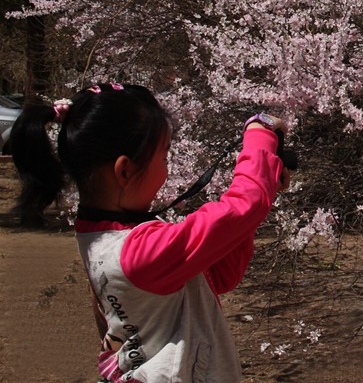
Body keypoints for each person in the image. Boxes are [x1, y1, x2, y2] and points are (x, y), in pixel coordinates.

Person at [10, 83, 290, 383]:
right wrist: (260, 133)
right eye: (164, 155)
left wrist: (251, 209)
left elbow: (218, 277)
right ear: (125, 171)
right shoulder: (143, 253)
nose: (167, 168)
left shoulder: (99, 237)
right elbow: (245, 205)